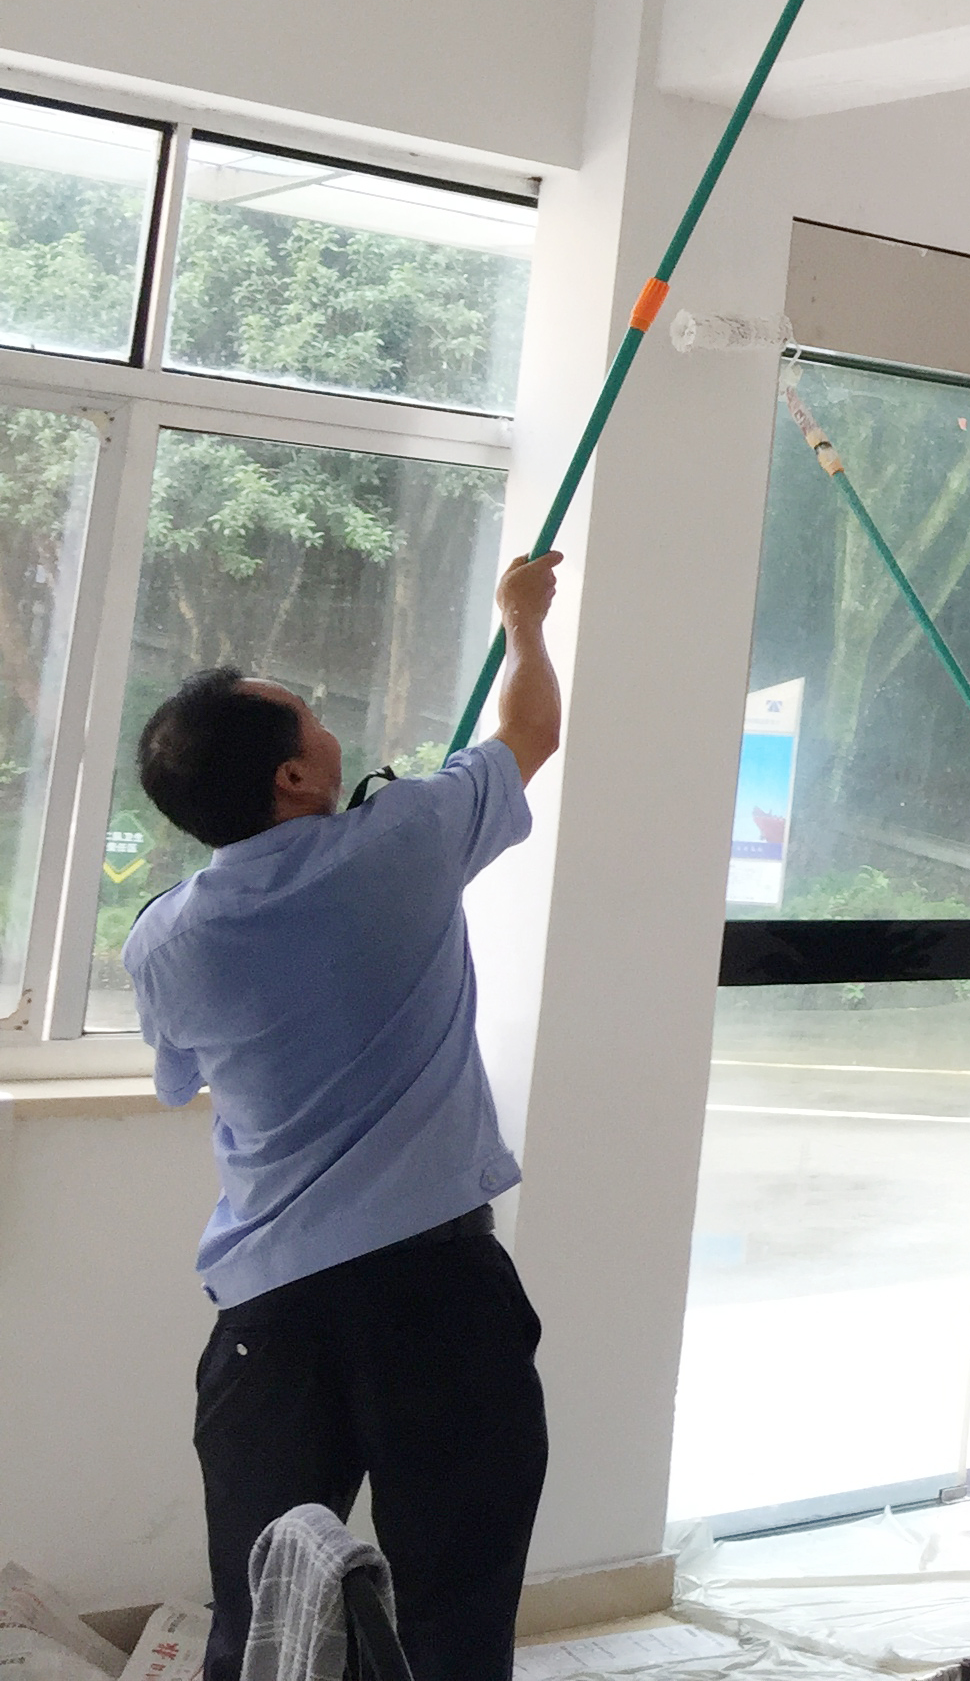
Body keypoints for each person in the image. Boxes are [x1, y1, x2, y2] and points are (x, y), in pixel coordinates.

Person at [123, 551, 564, 1681]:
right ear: (292, 778)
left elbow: (180, 1081)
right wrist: (521, 621)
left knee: (269, 1614)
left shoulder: (163, 938)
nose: (330, 730)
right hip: (437, 1302)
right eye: (313, 722)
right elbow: (531, 731)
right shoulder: (407, 837)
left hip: (271, 1323)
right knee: (454, 1613)